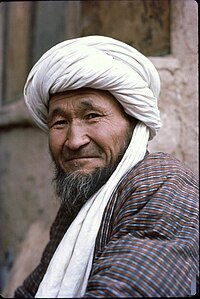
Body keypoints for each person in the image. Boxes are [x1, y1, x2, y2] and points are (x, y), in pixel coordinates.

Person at [12, 35, 198, 298]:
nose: (74, 141)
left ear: (134, 123)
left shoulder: (164, 185)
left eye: (92, 116)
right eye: (60, 122)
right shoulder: (81, 201)